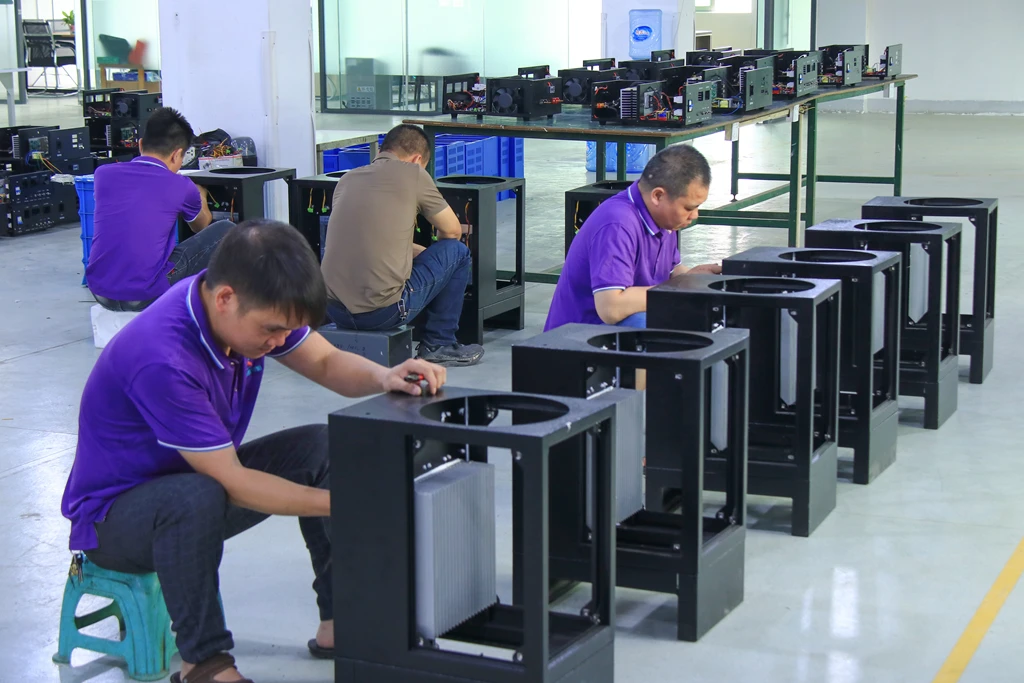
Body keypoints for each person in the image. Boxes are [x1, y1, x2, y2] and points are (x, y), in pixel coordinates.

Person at [61, 220, 446, 683]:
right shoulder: (163, 356)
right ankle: (205, 663)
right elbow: (233, 482)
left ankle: (341, 622)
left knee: (325, 448)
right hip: (114, 521)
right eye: (273, 330)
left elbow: (325, 360)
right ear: (226, 298)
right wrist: (346, 504)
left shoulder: (238, 302)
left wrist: (385, 376)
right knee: (195, 496)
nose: (279, 342)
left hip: (195, 481)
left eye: (287, 331)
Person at [321, 124, 484, 367]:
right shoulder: (413, 173)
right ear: (417, 159)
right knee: (458, 252)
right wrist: (438, 264)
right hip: (382, 314)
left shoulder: (347, 179)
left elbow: (371, 239)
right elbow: (452, 231)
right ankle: (439, 343)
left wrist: (421, 254)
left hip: (334, 310)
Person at [544, 144, 721, 331]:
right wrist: (683, 289)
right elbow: (611, 307)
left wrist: (695, 280)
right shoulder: (617, 224)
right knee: (663, 325)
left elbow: (669, 273)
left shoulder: (663, 219)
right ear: (658, 196)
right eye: (689, 208)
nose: (694, 216)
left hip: (612, 329)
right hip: (578, 336)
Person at [85, 107, 233, 312]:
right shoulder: (181, 185)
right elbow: (201, 226)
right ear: (177, 154)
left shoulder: (103, 174)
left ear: (140, 144)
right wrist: (201, 195)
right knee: (226, 229)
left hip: (100, 291)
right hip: (145, 295)